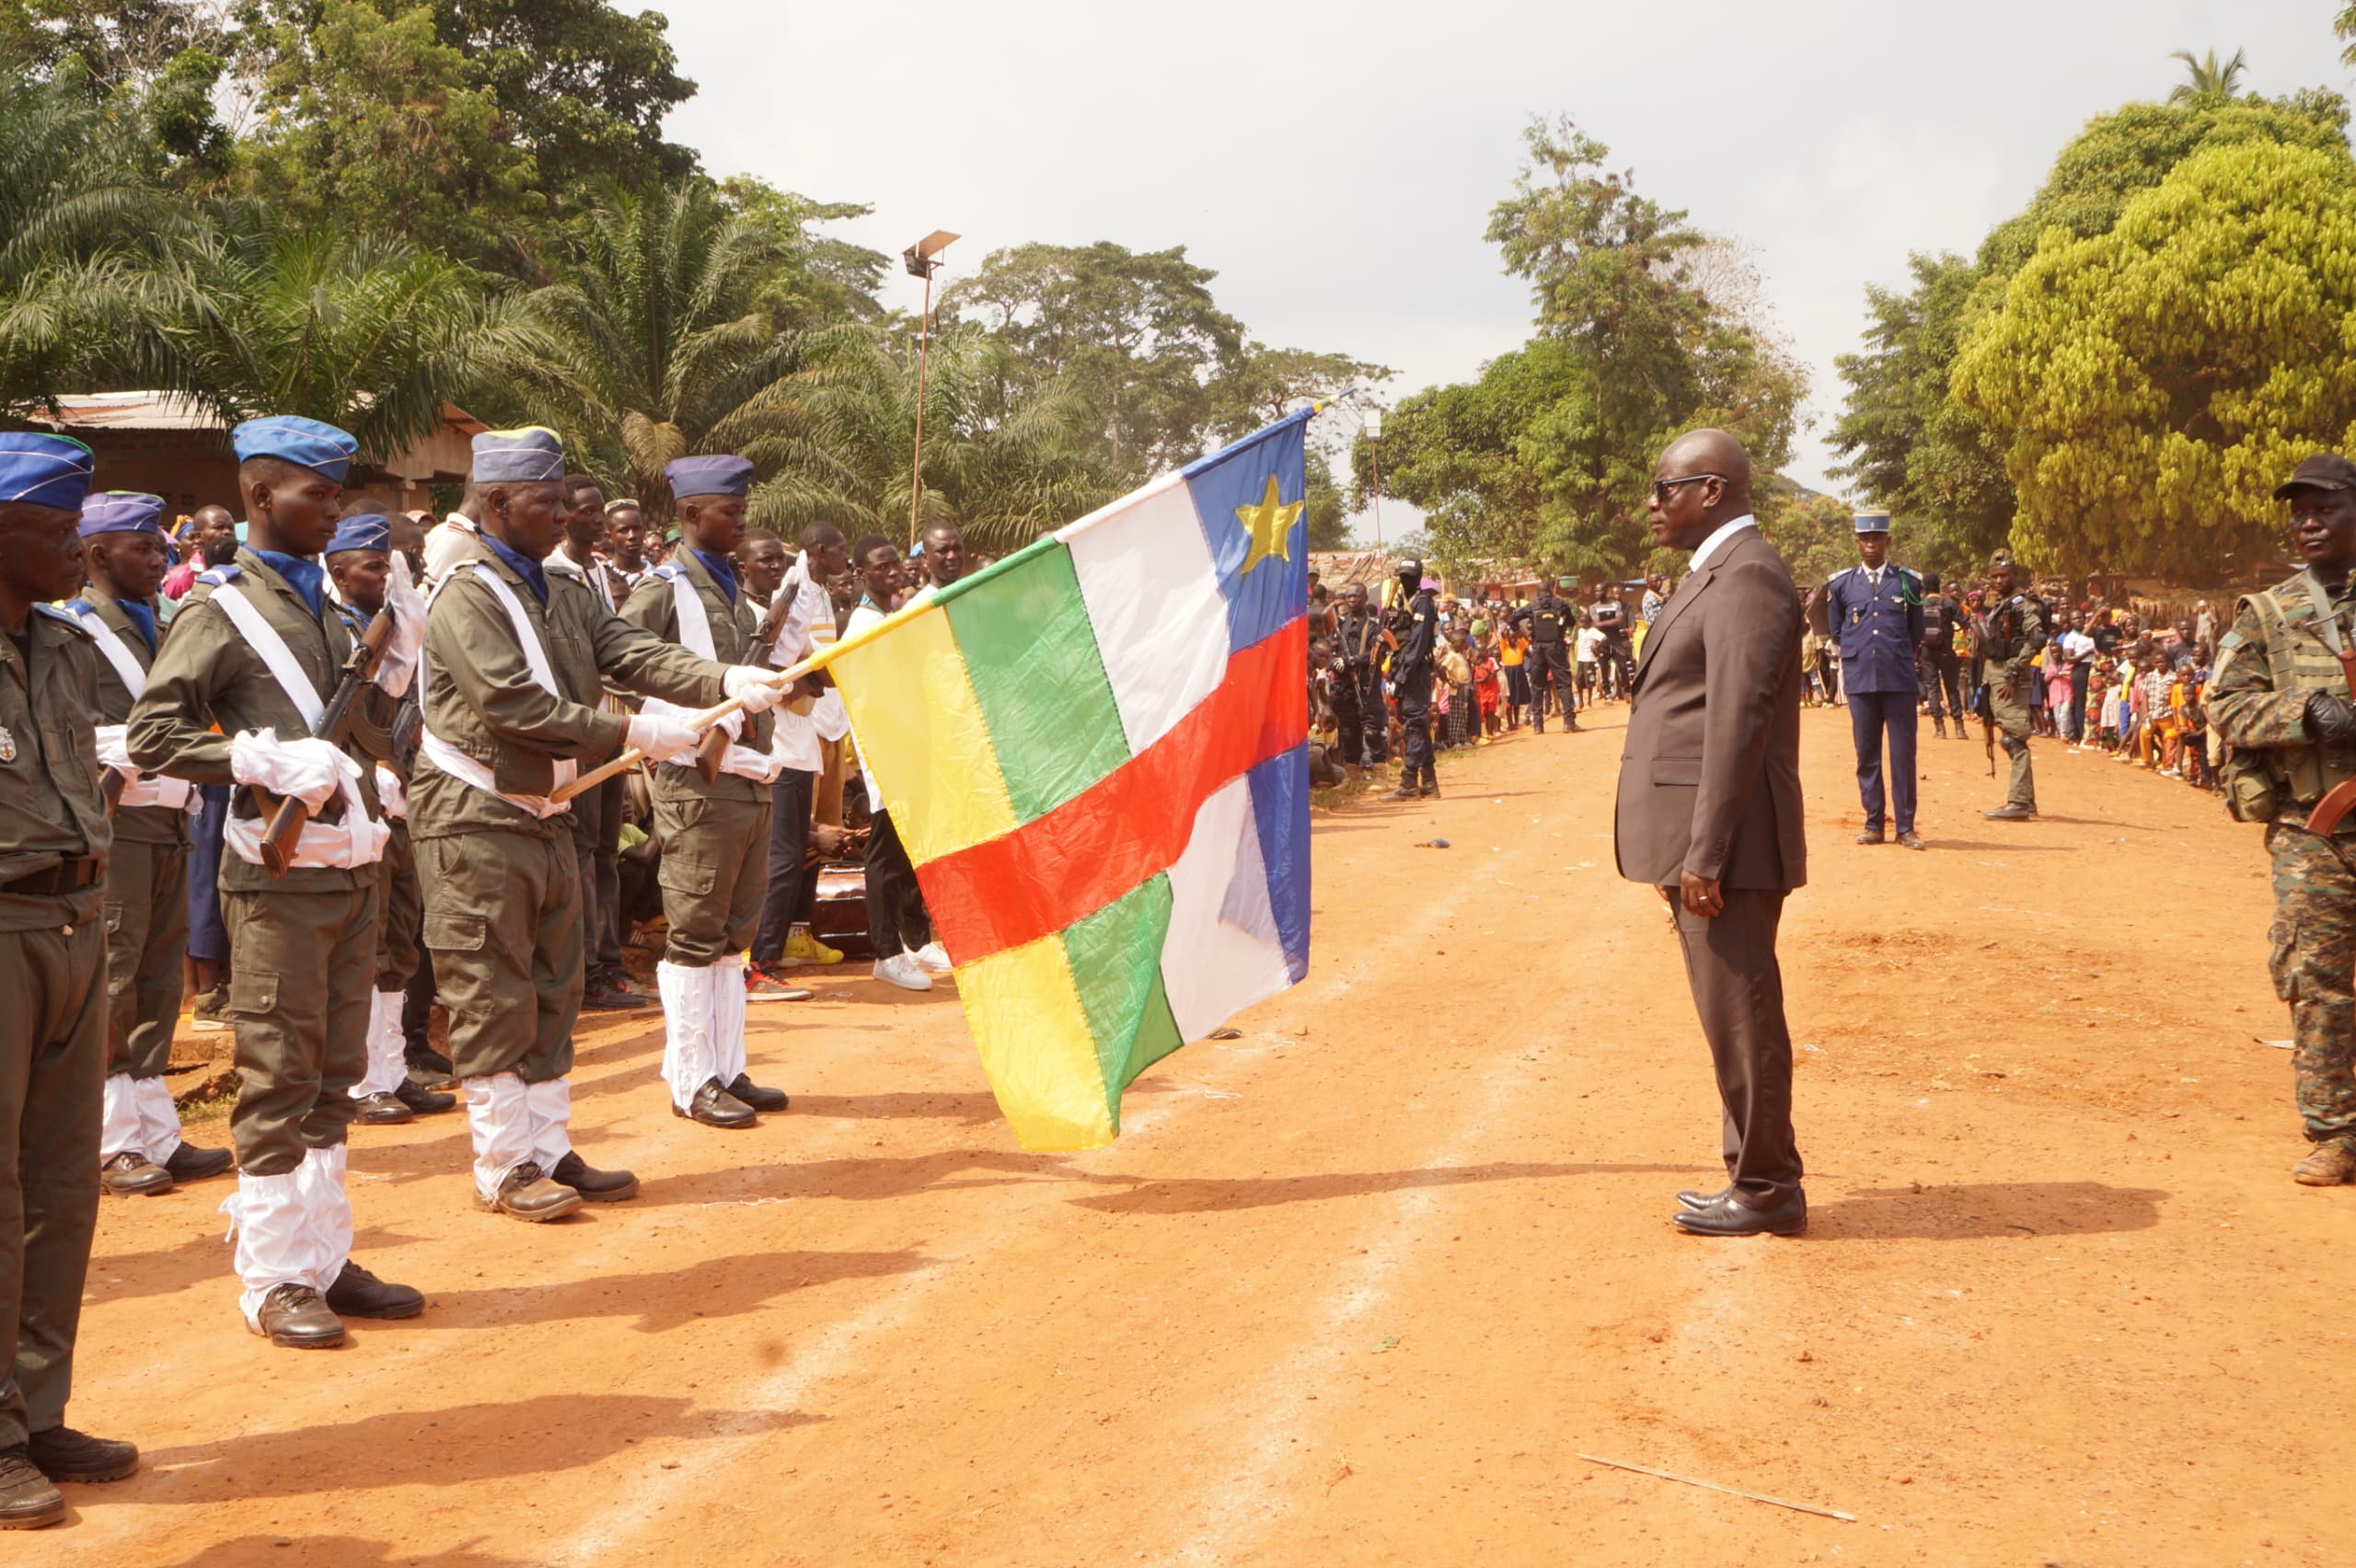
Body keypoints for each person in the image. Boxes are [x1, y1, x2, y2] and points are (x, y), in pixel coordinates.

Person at [412, 429, 789, 1205]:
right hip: (475, 812)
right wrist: (632, 731)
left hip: (550, 809)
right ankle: (504, 1164)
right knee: (491, 987)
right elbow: (511, 703)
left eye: (560, 499)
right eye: (546, 501)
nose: (561, 515)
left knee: (556, 987)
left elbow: (631, 651)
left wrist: (725, 676)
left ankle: (549, 1147)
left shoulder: (561, 587)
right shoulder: (466, 593)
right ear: (496, 503)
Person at [127, 416, 424, 1349]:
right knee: (277, 1072)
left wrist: (391, 688)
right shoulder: (219, 608)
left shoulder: (336, 611)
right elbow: (152, 737)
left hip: (349, 869)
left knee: (334, 1073)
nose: (335, 510)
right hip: (277, 875)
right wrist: (253, 757)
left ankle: (323, 1258)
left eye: (337, 494)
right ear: (261, 496)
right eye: (320, 493)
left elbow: (363, 738)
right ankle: (271, 1277)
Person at [0, 433, 144, 1526]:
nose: (76, 548)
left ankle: (35, 1408)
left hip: (79, 917)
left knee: (60, 1188)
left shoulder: (61, 643)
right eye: (56, 530)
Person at [1615, 428, 1807, 1237]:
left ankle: (1766, 1188)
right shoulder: (1716, 573)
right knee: (1729, 1007)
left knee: (1742, 1009)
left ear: (1714, 492)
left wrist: (1707, 855)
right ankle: (1752, 1172)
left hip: (1724, 843)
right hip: (1701, 834)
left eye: (1667, 488)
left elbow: (1737, 723)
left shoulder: (1748, 577)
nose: (1652, 504)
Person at [619, 455, 802, 1129]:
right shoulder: (664, 588)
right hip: (697, 779)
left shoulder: (732, 590)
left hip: (748, 779)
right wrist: (690, 721)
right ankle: (691, 1078)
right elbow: (625, 665)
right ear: (693, 514)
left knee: (734, 935)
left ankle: (727, 1066)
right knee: (696, 933)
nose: (742, 521)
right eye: (730, 511)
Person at [68, 492, 235, 1198]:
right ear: (99, 554)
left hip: (169, 816)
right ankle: (109, 1142)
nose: (161, 556)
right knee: (113, 977)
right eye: (144, 546)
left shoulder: (159, 621)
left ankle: (154, 1130)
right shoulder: (75, 628)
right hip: (119, 821)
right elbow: (72, 728)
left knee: (159, 983)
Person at [2207, 453, 2356, 1185]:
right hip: (2315, 831)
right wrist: (2303, 712)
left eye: (2324, 507)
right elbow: (2224, 705)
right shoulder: (2268, 613)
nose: (2307, 522)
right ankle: (2336, 1133)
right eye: (2298, 511)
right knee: (2318, 981)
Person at [322, 515, 454, 1126]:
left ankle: (392, 1069)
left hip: (401, 800)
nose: (391, 573)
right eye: (375, 565)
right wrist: (369, 764)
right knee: (369, 945)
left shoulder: (401, 629)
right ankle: (362, 1081)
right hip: (357, 798)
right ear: (338, 570)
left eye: (394, 563)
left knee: (400, 941)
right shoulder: (332, 629)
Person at [543, 476, 649, 1013]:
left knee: (608, 849)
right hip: (581, 733)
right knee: (583, 853)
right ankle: (586, 968)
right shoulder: (553, 572)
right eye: (582, 510)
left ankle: (609, 962)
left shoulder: (598, 574)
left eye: (596, 511)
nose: (592, 519)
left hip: (611, 728)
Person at [843, 536, 953, 988]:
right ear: (860, 574)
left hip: (909, 744)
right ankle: (886, 952)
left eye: (895, 564)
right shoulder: (863, 625)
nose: (892, 572)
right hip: (886, 750)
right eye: (880, 566)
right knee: (885, 854)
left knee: (911, 847)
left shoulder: (890, 615)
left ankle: (915, 938)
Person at [751, 522, 852, 977]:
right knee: (781, 858)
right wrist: (811, 676)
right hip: (779, 750)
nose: (844, 559)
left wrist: (812, 675)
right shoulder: (776, 605)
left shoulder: (814, 596)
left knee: (790, 857)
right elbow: (782, 682)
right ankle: (761, 960)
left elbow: (820, 671)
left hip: (803, 743)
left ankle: (772, 952)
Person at [1818, 510, 1925, 849]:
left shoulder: (1908, 582)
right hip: (1862, 677)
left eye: (1877, 538)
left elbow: (1916, 632)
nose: (1870, 545)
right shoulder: (1842, 584)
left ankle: (1905, 827)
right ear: (1857, 542)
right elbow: (1837, 631)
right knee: (1867, 754)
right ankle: (1874, 822)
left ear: (1887, 541)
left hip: (1898, 679)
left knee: (1903, 754)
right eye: (1865, 539)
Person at [1979, 552, 2048, 821]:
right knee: (2008, 735)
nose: (1998, 580)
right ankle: (2026, 801)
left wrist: (2015, 671)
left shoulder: (2023, 604)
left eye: (2003, 576)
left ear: (2014, 575)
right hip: (1995, 672)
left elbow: (2037, 636)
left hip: (2010, 676)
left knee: (2014, 738)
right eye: (1994, 576)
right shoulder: (2000, 603)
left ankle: (2018, 803)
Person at [1382, 558, 1438, 799]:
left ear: (1418, 579)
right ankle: (1429, 782)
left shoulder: (1423, 603)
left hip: (1415, 672)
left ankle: (1408, 784)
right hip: (1402, 668)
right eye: (1402, 576)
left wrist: (1402, 677)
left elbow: (1416, 646)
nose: (1404, 581)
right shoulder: (1401, 602)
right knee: (1416, 726)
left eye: (1409, 577)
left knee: (1414, 725)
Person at [1328, 582, 1388, 776]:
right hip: (1344, 687)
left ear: (1365, 598)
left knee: (1372, 732)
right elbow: (1329, 653)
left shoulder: (1373, 626)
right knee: (1348, 732)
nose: (1352, 600)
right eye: (1349, 596)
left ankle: (1380, 774)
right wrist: (1335, 662)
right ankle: (1352, 777)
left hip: (1366, 687)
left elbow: (1377, 655)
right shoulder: (1339, 627)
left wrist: (1351, 661)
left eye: (1357, 596)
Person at [1513, 580, 1578, 732]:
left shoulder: (1532, 606)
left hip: (1538, 648)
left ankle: (1538, 725)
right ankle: (1569, 722)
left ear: (1538, 593)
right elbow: (1571, 622)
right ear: (1550, 591)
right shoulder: (1561, 604)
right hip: (1556, 648)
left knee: (1537, 686)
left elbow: (1512, 619)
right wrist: (1561, 624)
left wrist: (1526, 634)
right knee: (1563, 684)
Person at [1915, 571, 1969, 739]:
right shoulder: (1949, 604)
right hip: (1946, 650)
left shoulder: (1919, 604)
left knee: (1932, 688)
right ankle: (1959, 729)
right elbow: (1965, 622)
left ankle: (1940, 729)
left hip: (1927, 651)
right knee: (1952, 688)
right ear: (1939, 585)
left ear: (1924, 587)